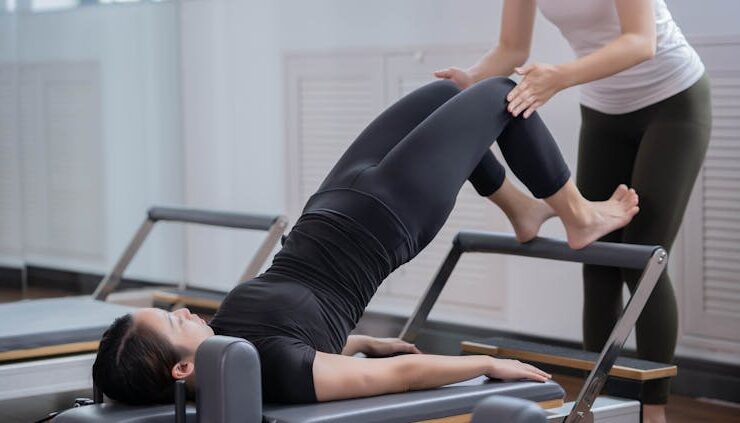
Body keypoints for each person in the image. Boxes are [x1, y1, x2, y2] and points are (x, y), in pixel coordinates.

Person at [92, 77, 638, 406]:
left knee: (449, 92)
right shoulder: (275, 370)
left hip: (336, 198)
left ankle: (521, 209)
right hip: (390, 217)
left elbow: (315, 341)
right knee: (506, 94)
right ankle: (577, 216)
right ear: (181, 369)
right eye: (171, 322)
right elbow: (396, 376)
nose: (184, 310)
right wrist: (485, 365)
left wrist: (359, 343)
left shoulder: (234, 344)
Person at [434, 1, 710, 422]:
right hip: (603, 110)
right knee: (596, 257)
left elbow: (641, 42)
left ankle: (653, 413)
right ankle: (597, 406)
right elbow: (511, 48)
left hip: (671, 99)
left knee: (642, 258)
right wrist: (471, 79)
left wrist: (559, 77)